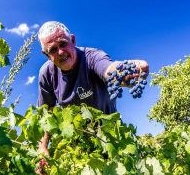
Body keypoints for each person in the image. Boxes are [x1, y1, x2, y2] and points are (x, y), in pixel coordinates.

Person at [37, 21, 148, 156]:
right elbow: (45, 114)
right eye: (53, 50)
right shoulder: (47, 74)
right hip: (78, 143)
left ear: (73, 40)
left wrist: (120, 73)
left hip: (110, 137)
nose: (60, 52)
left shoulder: (92, 57)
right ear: (46, 55)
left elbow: (108, 69)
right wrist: (43, 148)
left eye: (63, 44)